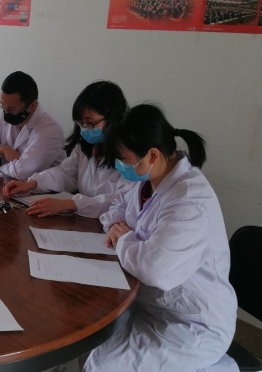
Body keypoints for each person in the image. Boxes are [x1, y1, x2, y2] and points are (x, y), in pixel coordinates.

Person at [84, 104, 238, 372]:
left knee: (102, 366)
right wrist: (124, 234)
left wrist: (124, 238)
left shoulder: (190, 199)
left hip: (189, 324)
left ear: (152, 154)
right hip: (147, 304)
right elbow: (117, 208)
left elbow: (153, 269)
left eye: (123, 159)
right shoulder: (148, 179)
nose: (120, 167)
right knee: (90, 340)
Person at [2, 81, 129, 218]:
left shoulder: (128, 157)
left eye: (90, 123)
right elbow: (66, 173)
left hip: (112, 223)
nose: (84, 128)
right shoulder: (85, 147)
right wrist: (33, 183)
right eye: (81, 123)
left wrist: (71, 204)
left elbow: (121, 199)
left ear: (113, 119)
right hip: (84, 220)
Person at [0, 71, 64, 179]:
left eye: (11, 109)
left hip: (40, 188)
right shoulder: (5, 118)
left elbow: (22, 172)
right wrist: (2, 149)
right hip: (8, 183)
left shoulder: (50, 130)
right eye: (3, 106)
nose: (6, 112)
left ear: (32, 106)